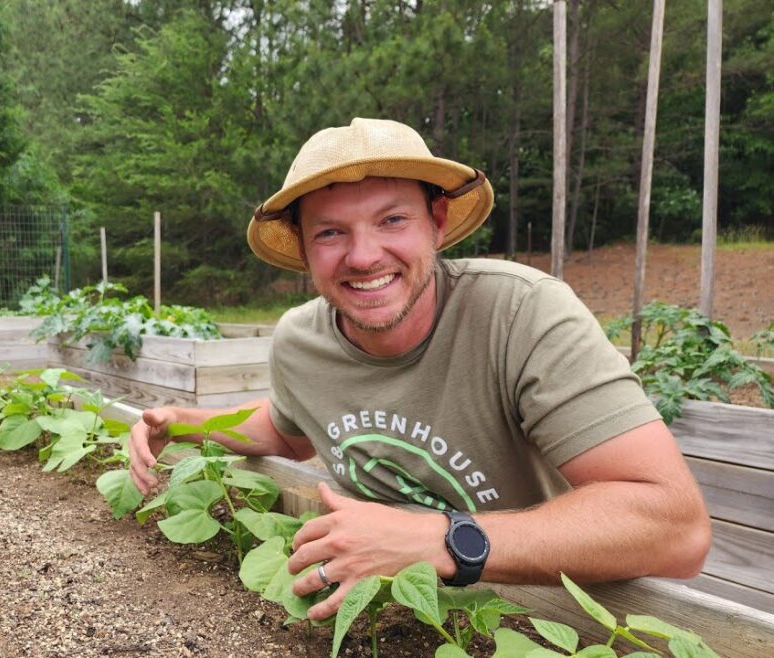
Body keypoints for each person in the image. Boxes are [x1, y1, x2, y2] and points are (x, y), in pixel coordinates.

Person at [128, 118, 711, 621]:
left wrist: (438, 540)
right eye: (331, 232)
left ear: (436, 220)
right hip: (395, 603)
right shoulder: (299, 341)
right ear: (304, 249)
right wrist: (180, 423)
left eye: (392, 220)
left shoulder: (521, 314)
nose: (362, 256)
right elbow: (287, 430)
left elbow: (677, 530)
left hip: (531, 610)